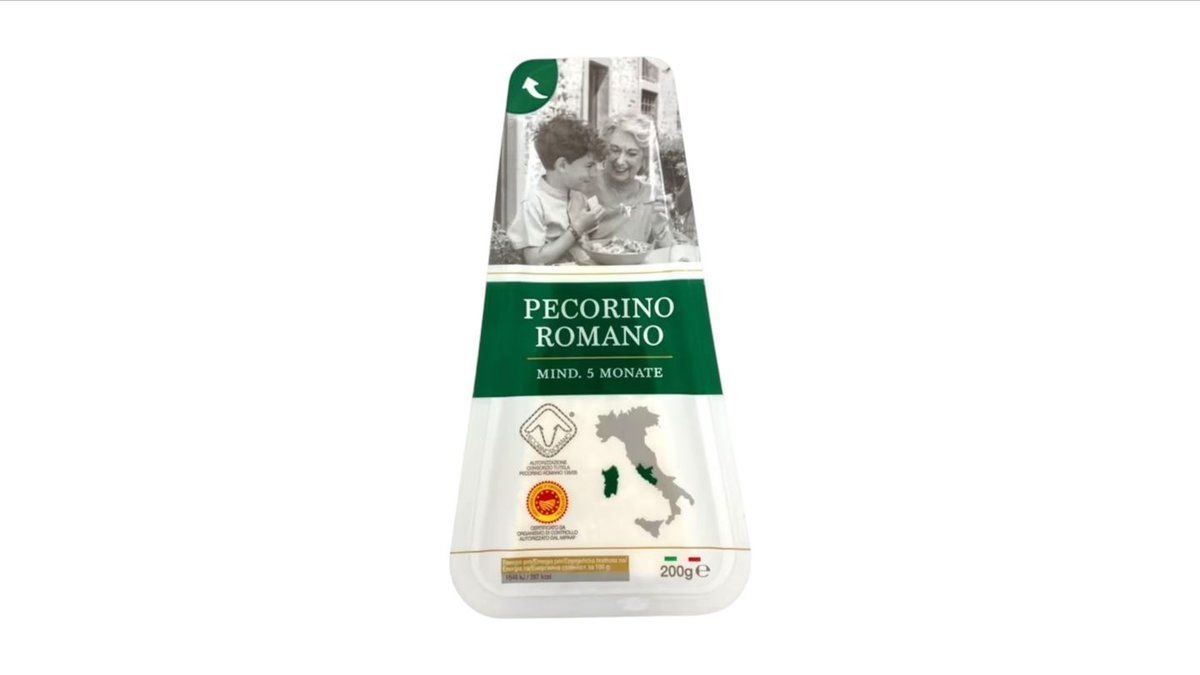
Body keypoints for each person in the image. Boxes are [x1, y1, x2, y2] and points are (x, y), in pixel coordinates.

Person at [507, 115, 608, 265]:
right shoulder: (534, 202)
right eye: (589, 166)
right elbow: (534, 260)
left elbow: (584, 246)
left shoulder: (578, 195)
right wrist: (576, 229)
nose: (594, 173)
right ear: (562, 165)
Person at [588, 112, 676, 250]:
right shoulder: (585, 185)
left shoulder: (651, 197)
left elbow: (668, 253)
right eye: (614, 150)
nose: (620, 161)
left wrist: (660, 230)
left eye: (631, 153)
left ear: (644, 159)